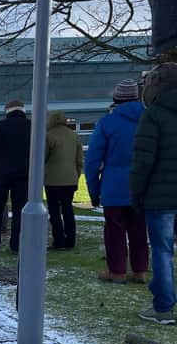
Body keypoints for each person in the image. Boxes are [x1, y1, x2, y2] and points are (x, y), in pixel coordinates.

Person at [86, 79, 149, 284]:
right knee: (139, 229)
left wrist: (94, 191)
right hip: (142, 185)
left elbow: (93, 161)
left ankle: (117, 271)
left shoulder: (107, 123)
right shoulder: (149, 120)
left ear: (116, 99)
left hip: (113, 187)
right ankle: (140, 271)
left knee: (114, 231)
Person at [131, 62, 177, 325]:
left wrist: (136, 194)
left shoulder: (154, 115)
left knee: (162, 251)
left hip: (160, 198)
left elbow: (143, 162)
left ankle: (163, 308)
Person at [0, 100, 31, 253]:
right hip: (23, 175)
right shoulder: (31, 127)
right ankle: (17, 245)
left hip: (0, 175)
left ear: (7, 111)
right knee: (20, 211)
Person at [44, 110, 84, 250]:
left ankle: (59, 240)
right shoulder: (74, 136)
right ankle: (70, 240)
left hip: (52, 180)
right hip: (70, 179)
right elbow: (79, 160)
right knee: (68, 210)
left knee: (54, 211)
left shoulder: (49, 136)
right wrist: (76, 175)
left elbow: (43, 158)